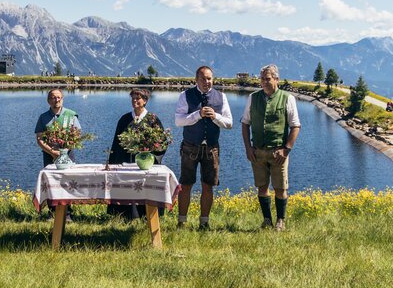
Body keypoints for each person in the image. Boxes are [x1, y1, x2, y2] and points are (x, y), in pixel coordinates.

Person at [241, 64, 300, 231]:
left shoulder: (287, 98)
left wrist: (287, 149)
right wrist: (248, 148)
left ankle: (280, 221)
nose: (264, 82)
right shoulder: (253, 98)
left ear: (276, 79)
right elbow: (245, 123)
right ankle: (267, 220)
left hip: (278, 152)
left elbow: (295, 126)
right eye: (262, 79)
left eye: (268, 79)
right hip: (257, 151)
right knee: (262, 187)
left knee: (280, 188)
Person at [175, 66, 233, 230]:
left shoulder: (221, 96)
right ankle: (181, 222)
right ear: (196, 80)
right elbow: (178, 121)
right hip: (190, 147)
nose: (206, 82)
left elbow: (229, 123)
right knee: (185, 185)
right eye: (203, 79)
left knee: (208, 186)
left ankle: (204, 223)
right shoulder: (184, 95)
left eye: (209, 78)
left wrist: (215, 117)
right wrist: (197, 115)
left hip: (211, 149)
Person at [107, 88, 166, 219]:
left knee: (145, 188)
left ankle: (147, 215)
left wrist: (151, 157)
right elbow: (116, 143)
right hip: (125, 161)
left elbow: (161, 142)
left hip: (145, 163)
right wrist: (113, 161)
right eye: (133, 98)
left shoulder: (153, 119)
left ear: (145, 101)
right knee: (126, 187)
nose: (134, 101)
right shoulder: (125, 119)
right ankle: (124, 215)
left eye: (138, 98)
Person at [35, 88, 82, 167]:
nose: (56, 100)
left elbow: (78, 136)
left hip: (68, 155)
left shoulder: (71, 115)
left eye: (58, 97)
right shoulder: (43, 117)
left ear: (62, 99)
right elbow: (39, 139)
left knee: (69, 178)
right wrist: (53, 152)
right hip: (49, 155)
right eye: (53, 98)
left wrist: (63, 152)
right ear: (48, 101)